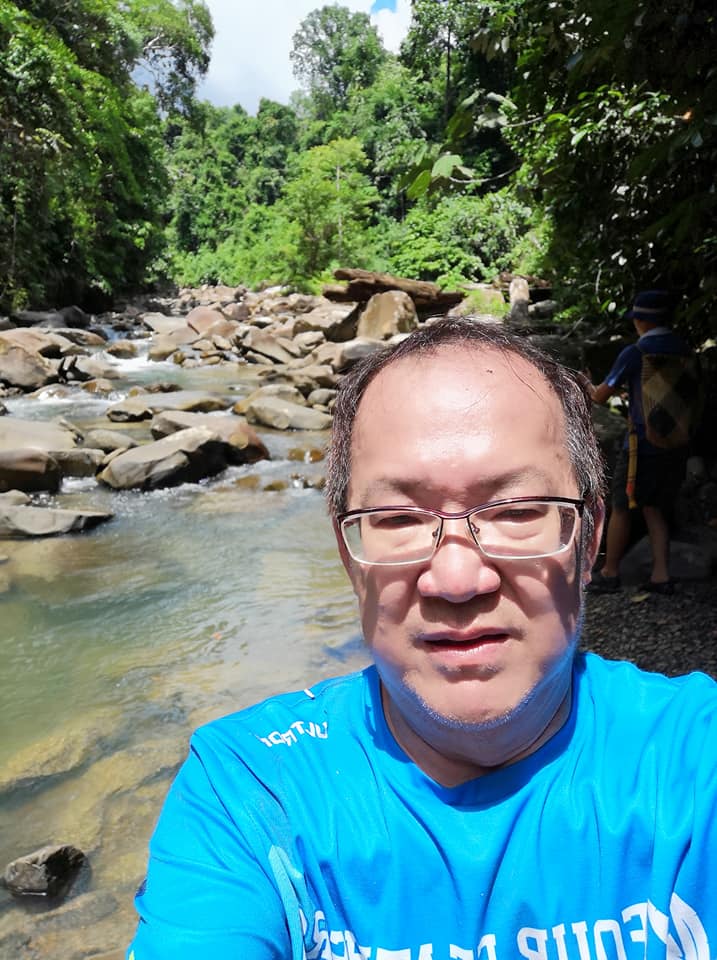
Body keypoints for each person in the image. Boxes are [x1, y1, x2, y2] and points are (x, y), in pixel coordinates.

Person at [128, 317, 717, 960]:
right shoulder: (249, 792)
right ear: (348, 553)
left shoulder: (694, 760)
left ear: (590, 534)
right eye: (396, 519)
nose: (457, 579)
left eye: (518, 511)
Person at [586, 290, 696, 594]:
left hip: (641, 447)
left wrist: (586, 383)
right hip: (676, 442)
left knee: (622, 505)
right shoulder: (685, 350)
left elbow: (599, 395)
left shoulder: (636, 352)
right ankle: (661, 576)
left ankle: (610, 572)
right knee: (656, 507)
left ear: (642, 321)